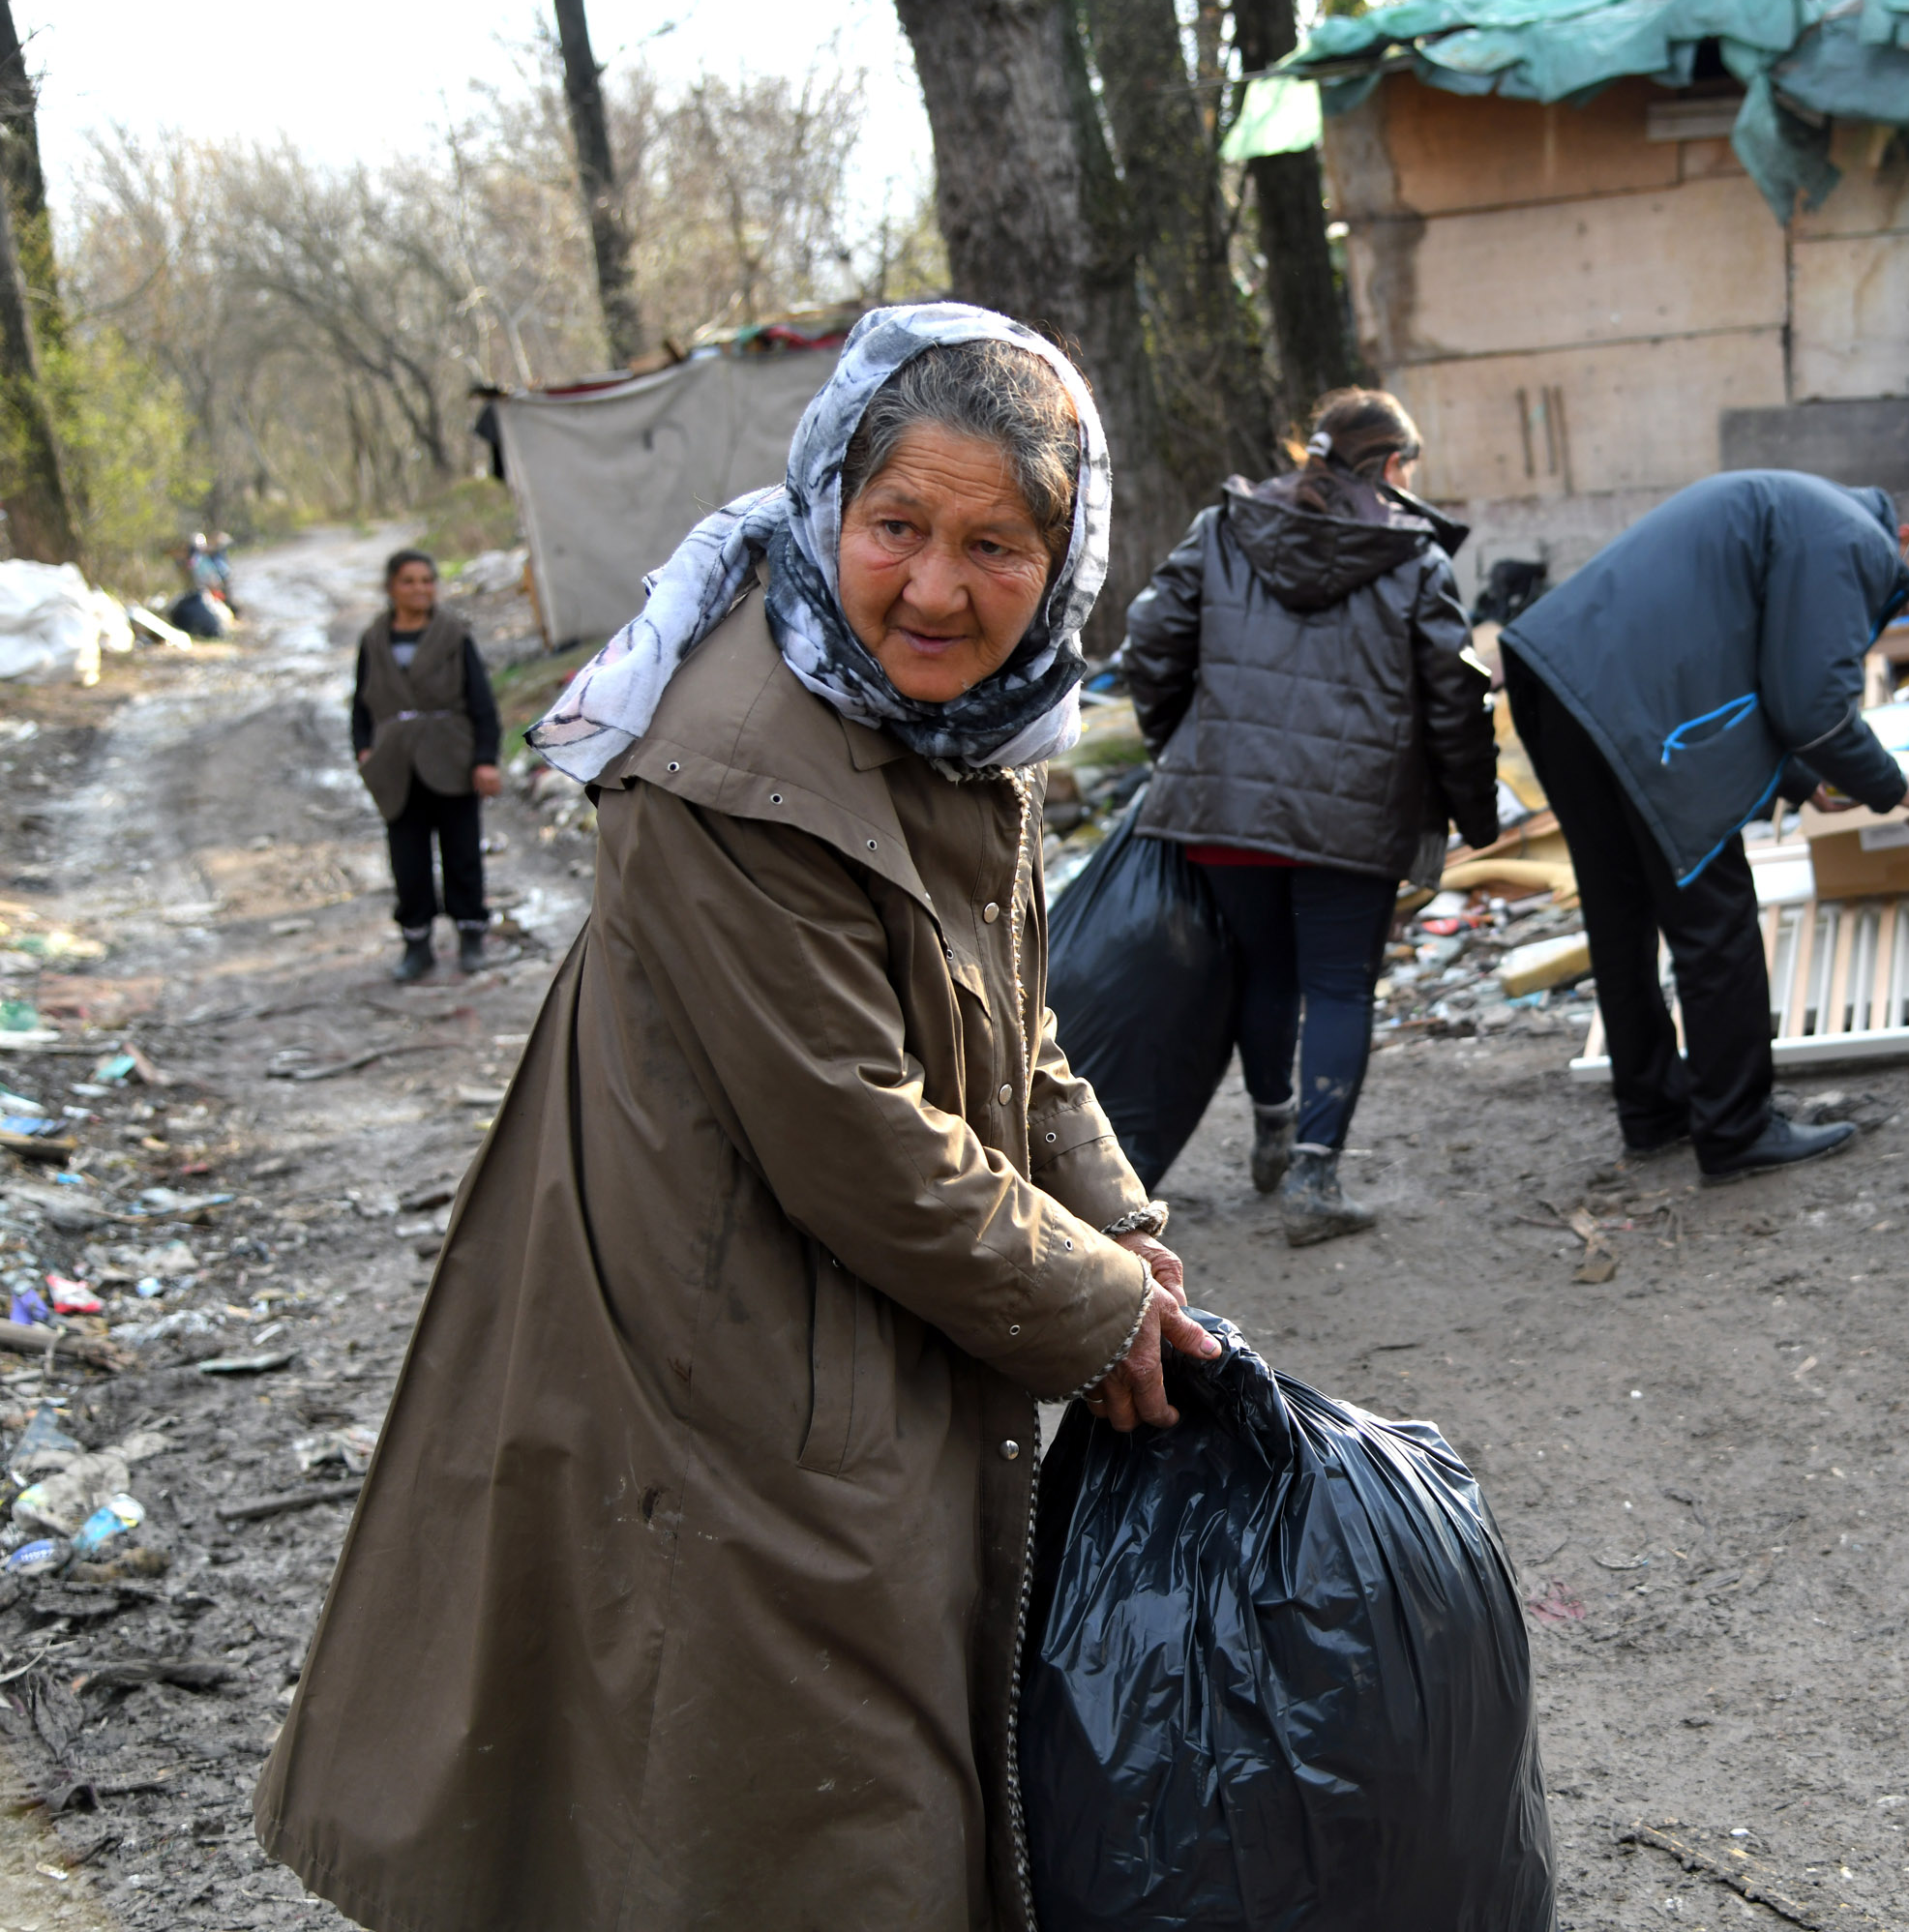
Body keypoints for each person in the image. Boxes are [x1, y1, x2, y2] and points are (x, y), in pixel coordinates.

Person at [255, 307, 1223, 1931]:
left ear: (1063, 563)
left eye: (995, 545)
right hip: (719, 1365)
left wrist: (1118, 1216)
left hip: (828, 1333)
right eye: (897, 528)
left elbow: (1013, 1019)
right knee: (794, 1808)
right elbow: (859, 1134)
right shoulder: (738, 765)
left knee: (824, 1792)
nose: (935, 588)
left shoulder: (964, 732)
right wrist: (1096, 1305)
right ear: (828, 501)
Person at [1119, 388, 1498, 1244]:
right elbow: (1457, 700)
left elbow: (1150, 645)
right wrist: (1475, 812)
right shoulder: (1413, 559)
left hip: (1225, 810)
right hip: (1354, 818)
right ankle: (1315, 1179)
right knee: (1336, 984)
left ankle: (1272, 1132)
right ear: (1392, 467)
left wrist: (1183, 749)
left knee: (1264, 972)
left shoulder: (1222, 529)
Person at [1497, 470, 1909, 1184]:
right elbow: (1811, 708)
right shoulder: (1852, 539)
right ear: (1905, 538)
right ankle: (1736, 1131)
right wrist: (1894, 786)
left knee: (1622, 915)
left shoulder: (1804, 512)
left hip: (1559, 679)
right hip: (1632, 705)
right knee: (1717, 921)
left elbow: (1755, 669)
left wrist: (1802, 785)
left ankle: (1653, 1112)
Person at [351, 550, 503, 980]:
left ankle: (471, 935)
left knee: (461, 853)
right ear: (390, 587)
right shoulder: (374, 640)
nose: (419, 588)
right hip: (395, 764)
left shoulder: (453, 635)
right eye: (409, 581)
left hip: (450, 757)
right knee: (408, 860)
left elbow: (481, 702)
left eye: (426, 580)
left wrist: (485, 759)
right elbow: (360, 705)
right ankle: (416, 946)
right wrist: (364, 750)